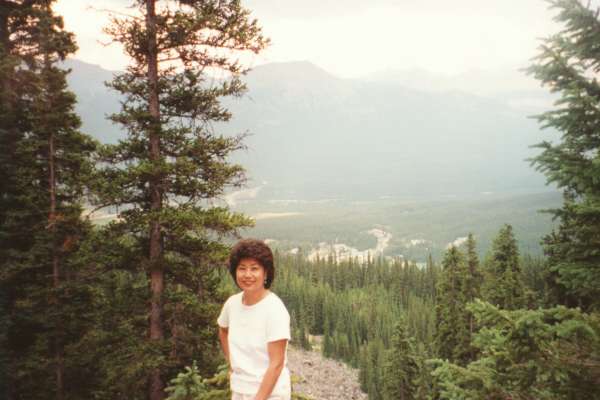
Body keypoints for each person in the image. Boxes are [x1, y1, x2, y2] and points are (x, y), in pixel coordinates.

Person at [217, 239, 291, 400]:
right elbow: (223, 329)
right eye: (242, 268)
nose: (247, 275)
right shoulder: (232, 304)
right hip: (239, 389)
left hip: (271, 394)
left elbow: (276, 364)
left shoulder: (274, 309)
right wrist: (232, 363)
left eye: (254, 269)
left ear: (265, 273)